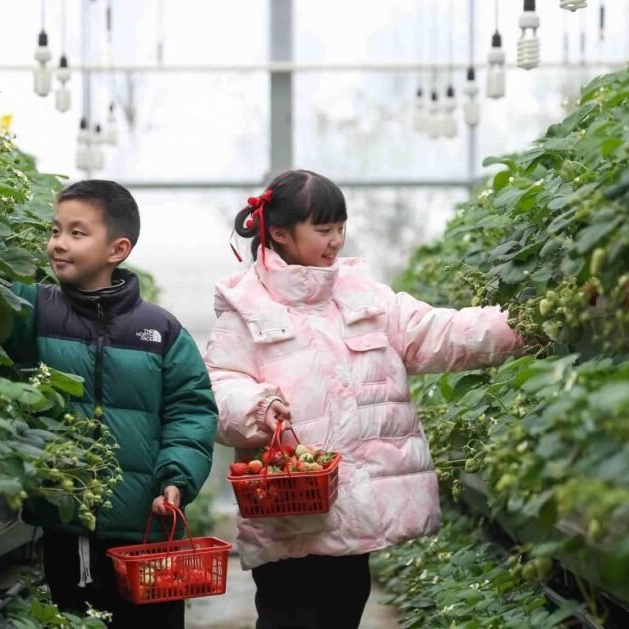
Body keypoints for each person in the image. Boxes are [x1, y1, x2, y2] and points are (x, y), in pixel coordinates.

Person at [205, 169, 524, 629]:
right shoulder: (247, 308)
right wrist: (256, 406)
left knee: (343, 608)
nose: (336, 240)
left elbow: (437, 331)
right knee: (288, 615)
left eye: (340, 227)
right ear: (279, 233)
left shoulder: (364, 297)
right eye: (323, 229)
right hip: (288, 510)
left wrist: (523, 325)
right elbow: (219, 386)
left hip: (353, 512)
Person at [6, 179, 218, 628]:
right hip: (70, 528)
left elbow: (191, 410)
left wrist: (176, 478)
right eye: (55, 230)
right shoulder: (33, 310)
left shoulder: (161, 331)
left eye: (76, 233)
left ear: (117, 249)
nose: (58, 243)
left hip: (148, 534)